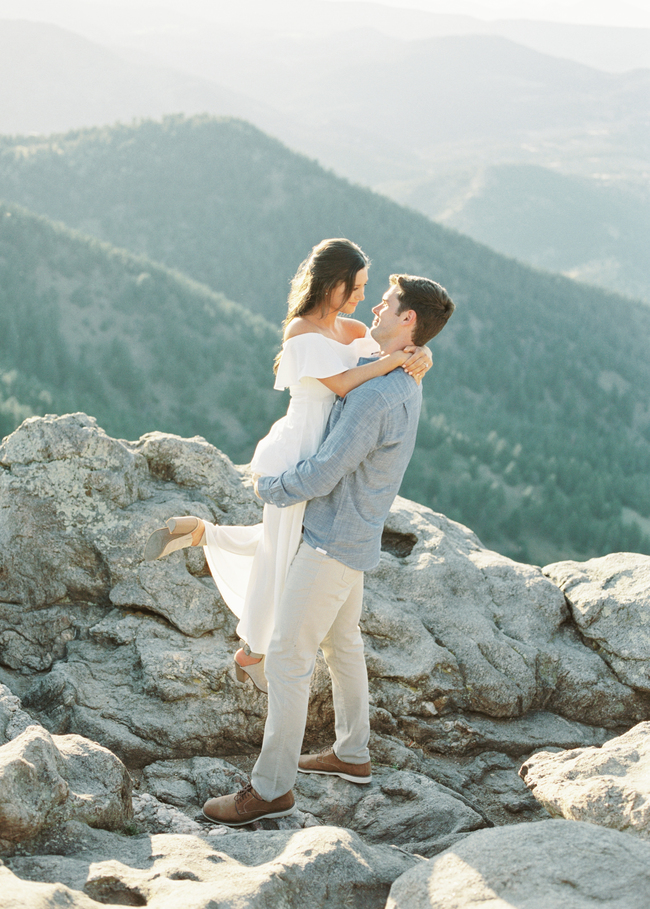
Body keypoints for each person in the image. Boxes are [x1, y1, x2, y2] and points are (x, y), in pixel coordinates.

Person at [201, 272, 455, 826]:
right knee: (343, 645)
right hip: (357, 535)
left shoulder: (377, 394)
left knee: (290, 658)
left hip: (330, 541)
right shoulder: (404, 372)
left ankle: (270, 789)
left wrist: (269, 487)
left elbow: (324, 470)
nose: (378, 310)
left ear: (408, 319)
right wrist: (421, 355)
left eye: (387, 304)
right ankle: (352, 753)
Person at [144, 239, 432, 692]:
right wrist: (397, 361)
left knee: (282, 545)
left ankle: (200, 533)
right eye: (355, 287)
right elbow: (341, 384)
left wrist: (419, 353)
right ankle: (252, 652)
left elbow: (381, 350)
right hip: (297, 450)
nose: (361, 297)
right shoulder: (301, 331)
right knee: (280, 555)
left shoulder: (353, 329)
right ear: (332, 283)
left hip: (323, 451)